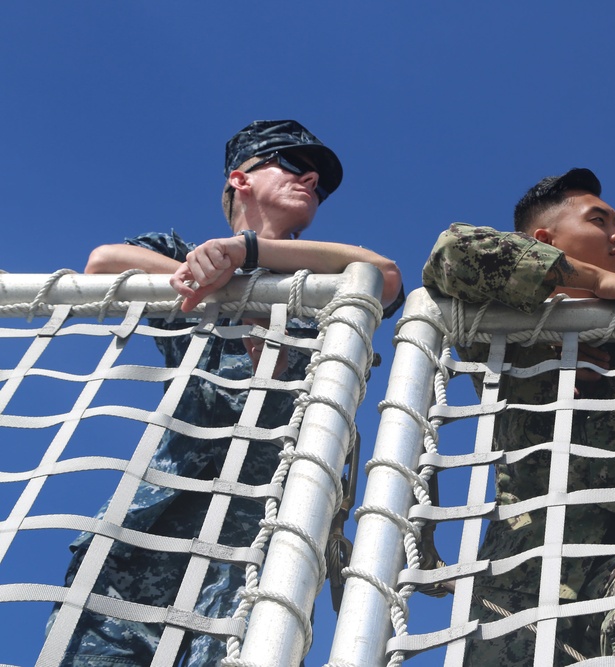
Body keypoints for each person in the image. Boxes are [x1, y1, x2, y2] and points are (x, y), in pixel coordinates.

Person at [54, 120, 403, 666]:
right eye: (289, 163)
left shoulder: (324, 276)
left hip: (272, 528)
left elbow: (383, 275)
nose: (310, 178)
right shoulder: (180, 253)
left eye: (319, 180)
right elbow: (104, 263)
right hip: (156, 520)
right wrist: (214, 284)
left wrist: (246, 252)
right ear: (240, 178)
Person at [422, 169, 615, 665]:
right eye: (599, 221)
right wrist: (594, 282)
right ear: (544, 240)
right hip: (522, 564)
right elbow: (454, 251)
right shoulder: (499, 319)